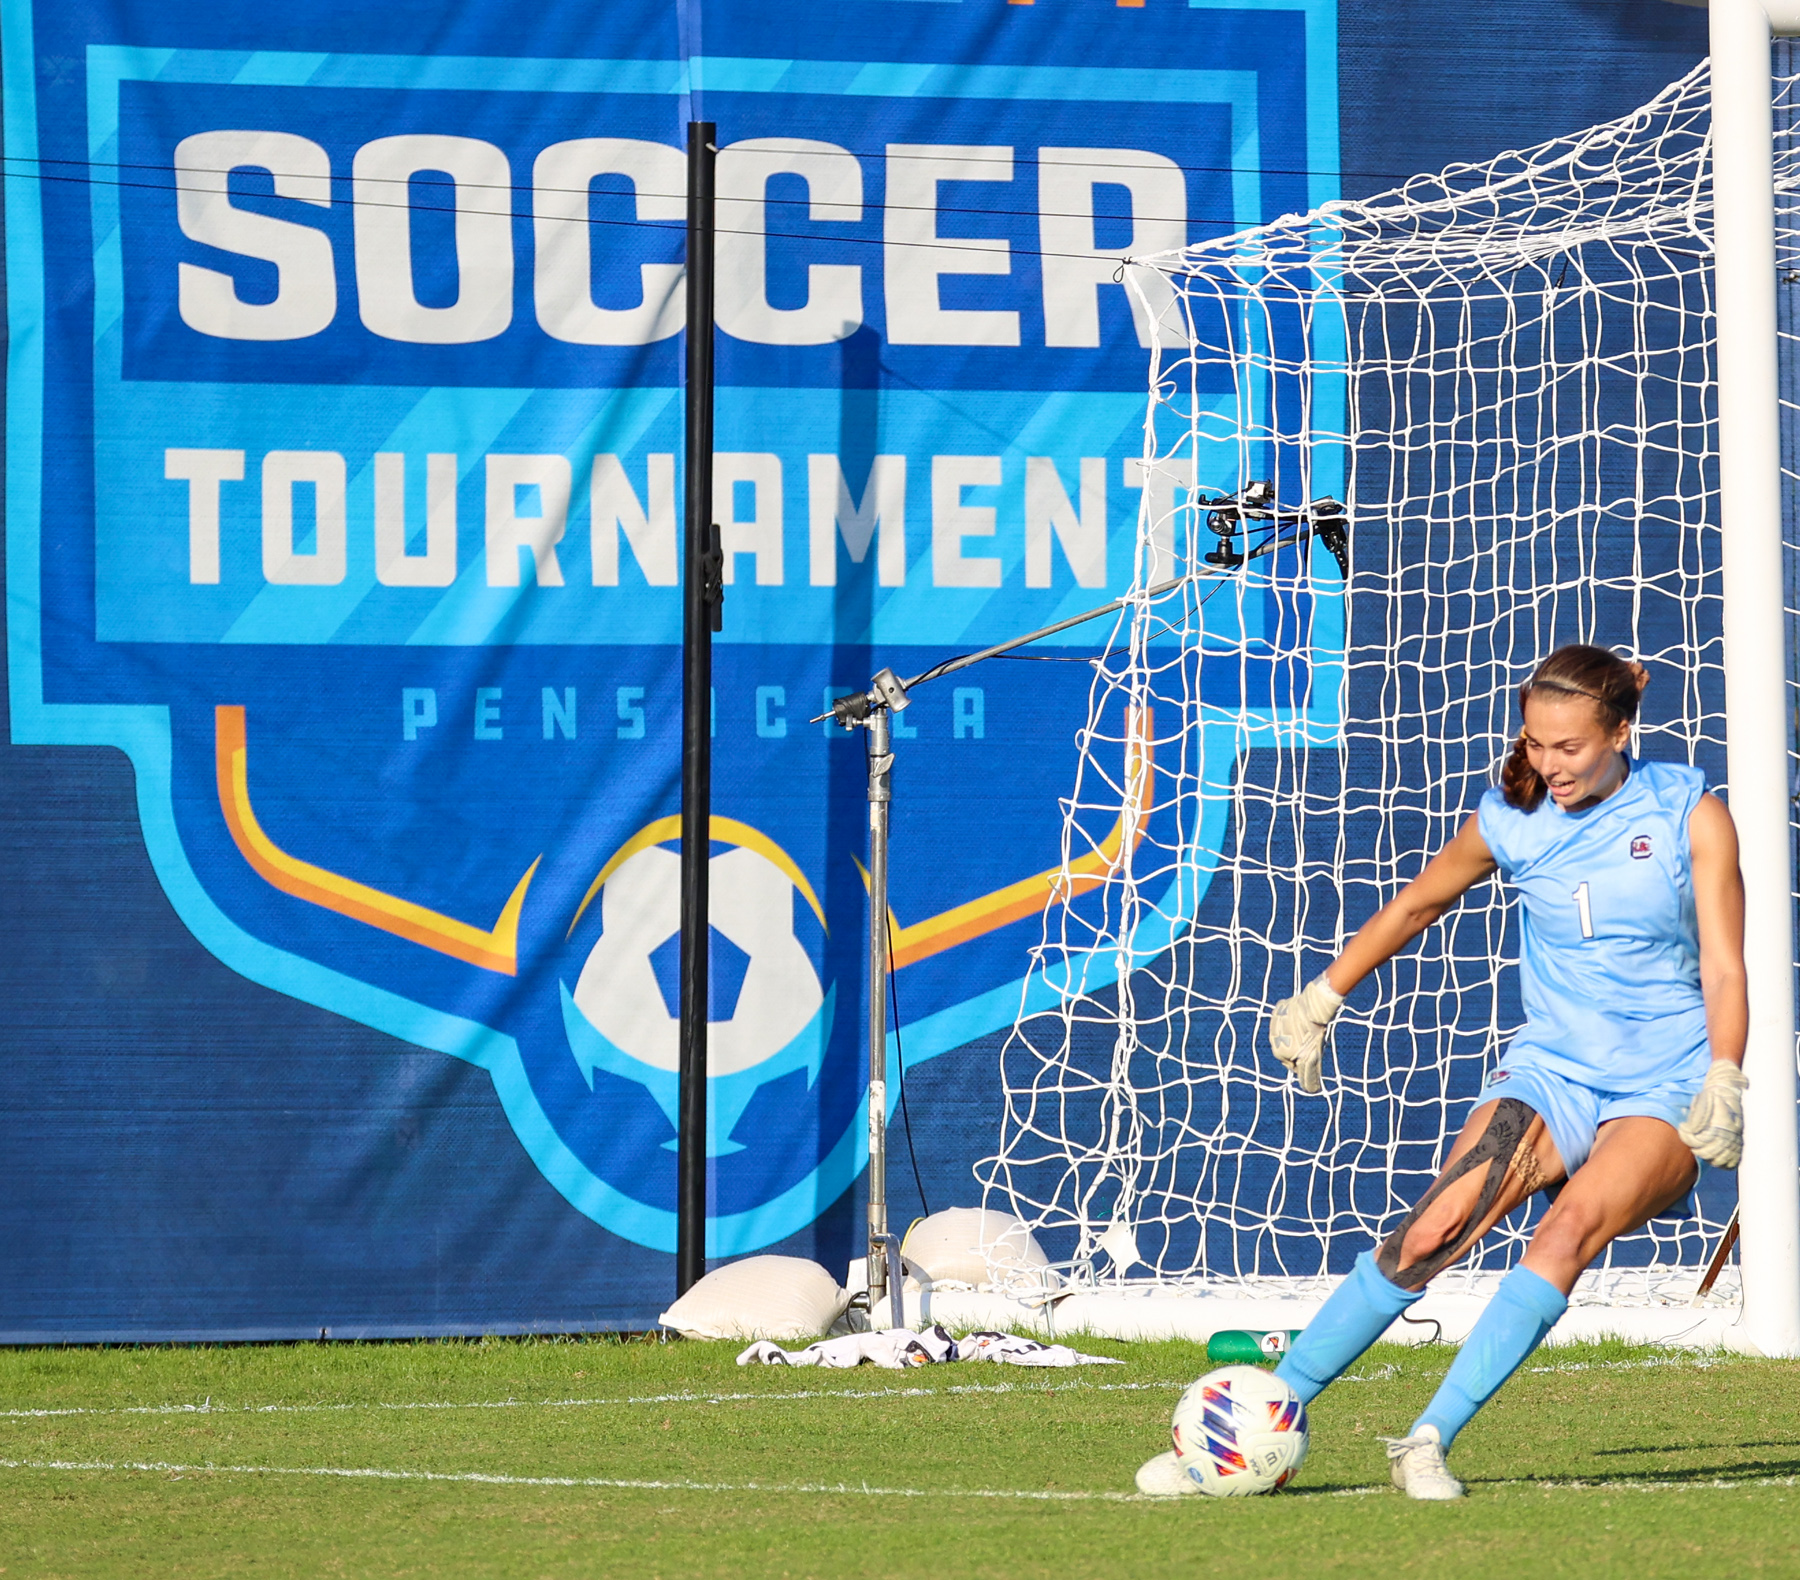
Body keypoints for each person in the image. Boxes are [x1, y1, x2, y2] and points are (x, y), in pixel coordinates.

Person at [1266, 644, 1748, 1499]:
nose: (1548, 764)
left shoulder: (1689, 811)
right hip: (1553, 1069)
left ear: (1620, 732)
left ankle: (1426, 1440)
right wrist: (1322, 996)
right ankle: (1263, 1418)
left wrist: (1725, 1072)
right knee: (1429, 1231)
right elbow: (1419, 901)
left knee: (1564, 1234)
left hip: (1665, 1082)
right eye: (1534, 744)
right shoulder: (1510, 818)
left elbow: (1722, 964)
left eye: (1569, 748)